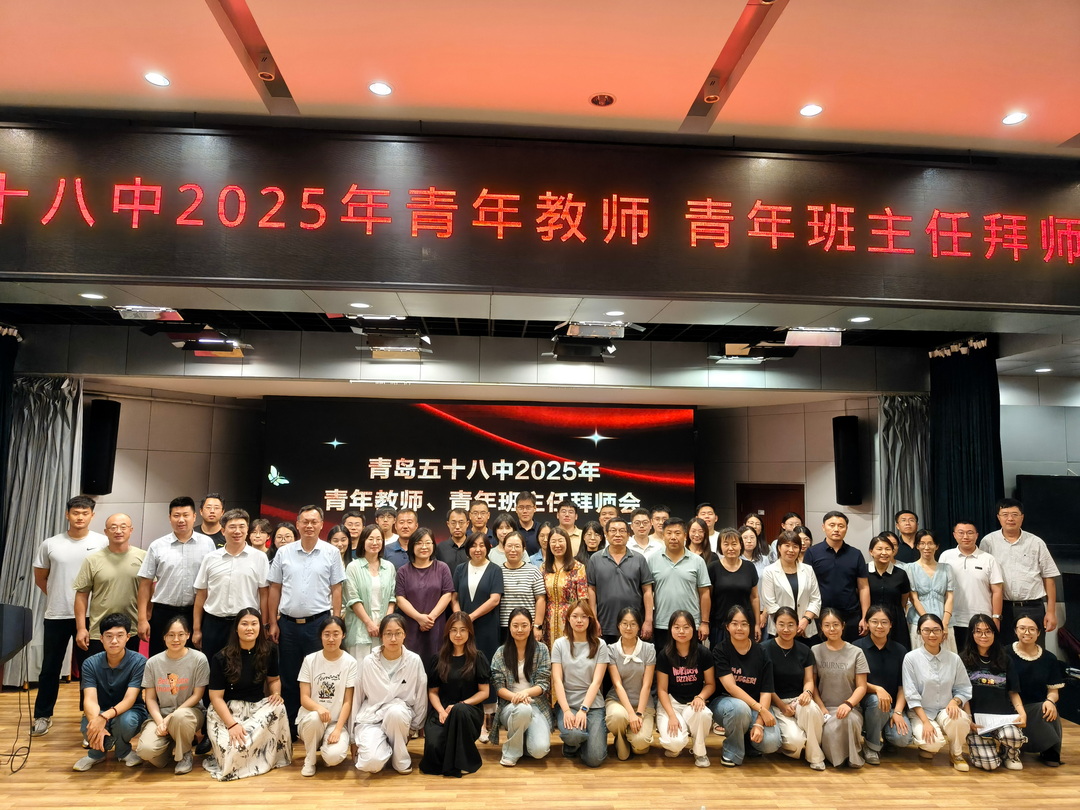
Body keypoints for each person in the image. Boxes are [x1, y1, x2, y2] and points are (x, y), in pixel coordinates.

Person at [267, 504, 346, 738]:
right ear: (298, 524)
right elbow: (274, 588)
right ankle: (291, 729)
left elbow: (337, 589)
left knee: (319, 676)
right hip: (288, 625)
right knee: (289, 677)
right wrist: (273, 622)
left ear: (321, 525)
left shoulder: (331, 552)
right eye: (305, 522)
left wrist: (335, 621)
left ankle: (317, 727)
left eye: (314, 522)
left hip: (318, 624)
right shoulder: (284, 552)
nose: (309, 526)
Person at [31, 494, 107, 737]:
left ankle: (89, 716)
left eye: (85, 513)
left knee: (90, 669)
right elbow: (41, 578)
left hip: (92, 616)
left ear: (92, 515)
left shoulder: (102, 542)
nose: (80, 517)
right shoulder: (50, 544)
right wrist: (61, 596)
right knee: (50, 667)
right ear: (67, 515)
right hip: (57, 614)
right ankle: (43, 715)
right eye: (75, 513)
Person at [204, 607, 291, 781]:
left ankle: (262, 756)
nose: (249, 628)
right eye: (244, 624)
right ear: (236, 628)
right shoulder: (221, 657)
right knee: (233, 752)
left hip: (256, 710)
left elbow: (273, 680)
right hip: (228, 712)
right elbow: (215, 697)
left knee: (278, 707)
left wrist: (276, 693)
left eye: (254, 624)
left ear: (260, 627)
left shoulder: (269, 650)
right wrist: (232, 725)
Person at [137, 496, 216, 657]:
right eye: (176, 515)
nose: (181, 520)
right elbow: (145, 584)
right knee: (160, 658)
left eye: (186, 515)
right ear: (169, 518)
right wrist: (142, 619)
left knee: (193, 659)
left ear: (194, 516)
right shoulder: (157, 545)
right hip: (163, 612)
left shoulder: (207, 544)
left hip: (195, 613)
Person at [192, 509, 270, 665]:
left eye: (242, 526)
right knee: (212, 667)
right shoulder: (210, 558)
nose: (237, 531)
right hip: (214, 624)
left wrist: (264, 625)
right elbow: (201, 595)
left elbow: (264, 594)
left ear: (247, 530)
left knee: (244, 668)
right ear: (223, 531)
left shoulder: (259, 558)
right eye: (232, 527)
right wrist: (196, 629)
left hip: (245, 625)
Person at [352, 614, 428, 774]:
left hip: (399, 718)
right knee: (371, 764)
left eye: (398, 633)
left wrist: (414, 728)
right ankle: (386, 748)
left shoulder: (414, 660)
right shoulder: (368, 662)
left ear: (404, 634)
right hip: (371, 718)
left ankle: (400, 758)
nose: (393, 638)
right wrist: (352, 737)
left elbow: (421, 696)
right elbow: (357, 697)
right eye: (388, 634)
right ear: (381, 636)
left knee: (395, 711)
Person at [72, 613, 149, 771]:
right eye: (109, 636)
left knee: (126, 722)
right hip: (100, 710)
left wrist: (104, 718)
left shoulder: (139, 662)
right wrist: (96, 721)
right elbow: (90, 699)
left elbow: (129, 700)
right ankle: (96, 754)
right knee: (88, 724)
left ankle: (123, 751)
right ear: (101, 638)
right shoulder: (90, 663)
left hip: (130, 710)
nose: (114, 641)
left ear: (128, 637)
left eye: (119, 636)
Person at [135, 615, 209, 774]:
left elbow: (197, 695)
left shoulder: (199, 659)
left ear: (188, 635)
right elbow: (150, 699)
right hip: (161, 715)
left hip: (189, 713)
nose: (176, 639)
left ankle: (185, 754)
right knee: (145, 751)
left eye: (181, 634)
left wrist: (171, 717)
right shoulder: (153, 662)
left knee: (180, 717)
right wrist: (160, 722)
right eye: (171, 635)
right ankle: (172, 746)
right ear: (164, 637)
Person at [420, 612, 491, 777]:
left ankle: (464, 763)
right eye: (454, 630)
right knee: (435, 748)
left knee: (459, 711)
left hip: (468, 711)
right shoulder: (438, 659)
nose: (458, 634)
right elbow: (433, 692)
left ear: (469, 632)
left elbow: (484, 692)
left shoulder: (477, 657)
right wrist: (440, 711)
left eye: (463, 630)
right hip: (443, 710)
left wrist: (461, 704)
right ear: (448, 632)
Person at [710, 605, 782, 767]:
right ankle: (732, 751)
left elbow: (766, 690)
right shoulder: (720, 650)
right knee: (739, 709)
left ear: (750, 626)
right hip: (726, 704)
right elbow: (731, 687)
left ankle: (747, 742)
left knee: (770, 744)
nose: (739, 628)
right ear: (727, 626)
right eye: (735, 624)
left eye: (744, 624)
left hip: (757, 705)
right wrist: (761, 709)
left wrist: (759, 723)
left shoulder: (762, 652)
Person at [981, 498, 1060, 645]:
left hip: (1032, 607)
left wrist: (1051, 612)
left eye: (1015, 514)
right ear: (998, 517)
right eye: (1005, 514)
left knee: (1034, 651)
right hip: (1002, 608)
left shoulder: (1036, 542)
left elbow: (1049, 577)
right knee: (1003, 652)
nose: (1010, 518)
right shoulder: (988, 542)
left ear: (1022, 517)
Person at [902, 612, 974, 771]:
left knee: (960, 719)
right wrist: (926, 723)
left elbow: (964, 688)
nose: (932, 634)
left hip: (946, 709)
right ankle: (928, 746)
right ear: (919, 632)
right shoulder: (911, 658)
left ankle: (956, 753)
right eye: (926, 630)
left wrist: (955, 701)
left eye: (936, 630)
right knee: (932, 743)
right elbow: (911, 695)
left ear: (943, 632)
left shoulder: (954, 659)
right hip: (921, 712)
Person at [451, 532, 503, 742]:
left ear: (488, 548)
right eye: (473, 545)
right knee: (465, 669)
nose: (478, 549)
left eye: (482, 545)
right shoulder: (460, 569)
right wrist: (459, 619)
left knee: (485, 670)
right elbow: (454, 597)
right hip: (462, 630)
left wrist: (469, 617)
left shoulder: (495, 569)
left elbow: (494, 599)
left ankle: (486, 722)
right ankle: (468, 718)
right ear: (468, 548)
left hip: (486, 628)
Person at [72, 513, 146, 657]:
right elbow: (81, 596)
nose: (118, 531)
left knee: (128, 669)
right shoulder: (92, 560)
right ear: (106, 532)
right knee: (97, 669)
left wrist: (145, 619)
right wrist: (81, 628)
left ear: (131, 530)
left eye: (123, 527)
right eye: (113, 527)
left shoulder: (143, 557)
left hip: (131, 630)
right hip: (99, 631)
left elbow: (149, 591)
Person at [960, 614, 1027, 771]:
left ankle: (1008, 754)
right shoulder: (962, 659)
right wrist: (969, 720)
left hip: (1002, 718)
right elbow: (962, 693)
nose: (983, 636)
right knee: (989, 765)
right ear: (971, 634)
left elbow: (1013, 691)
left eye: (988, 631)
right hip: (977, 721)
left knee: (1014, 737)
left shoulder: (1005, 659)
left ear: (994, 634)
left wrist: (1022, 713)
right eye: (978, 631)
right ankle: (984, 749)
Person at [762, 607, 826, 770]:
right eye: (781, 624)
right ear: (774, 625)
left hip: (799, 700)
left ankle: (815, 756)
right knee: (795, 743)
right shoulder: (764, 649)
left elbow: (809, 680)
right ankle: (801, 738)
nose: (786, 629)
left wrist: (807, 692)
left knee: (811, 709)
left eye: (791, 625)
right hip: (776, 703)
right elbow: (765, 685)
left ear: (797, 626)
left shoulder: (805, 650)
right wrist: (782, 706)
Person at [489, 608, 552, 767]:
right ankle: (511, 752)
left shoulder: (542, 649)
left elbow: (543, 684)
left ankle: (521, 739)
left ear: (531, 626)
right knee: (523, 709)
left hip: (536, 704)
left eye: (524, 625)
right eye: (515, 625)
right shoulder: (500, 652)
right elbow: (498, 687)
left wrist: (525, 693)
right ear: (509, 627)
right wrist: (517, 698)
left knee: (539, 751)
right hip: (509, 706)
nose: (519, 629)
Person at [296, 616, 357, 777]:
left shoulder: (350, 662)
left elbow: (348, 702)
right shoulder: (310, 660)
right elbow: (304, 698)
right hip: (311, 719)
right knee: (315, 718)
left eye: (336, 634)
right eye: (327, 634)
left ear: (343, 635)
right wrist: (319, 708)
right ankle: (310, 759)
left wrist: (337, 729)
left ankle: (325, 748)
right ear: (320, 636)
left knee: (333, 758)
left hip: (335, 722)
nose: (331, 639)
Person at [551, 599, 609, 768]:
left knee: (595, 759)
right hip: (568, 704)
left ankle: (587, 742)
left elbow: (596, 682)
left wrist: (584, 709)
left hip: (593, 705)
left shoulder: (600, 645)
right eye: (575, 616)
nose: (579, 620)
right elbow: (557, 680)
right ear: (568, 619)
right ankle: (572, 744)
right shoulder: (559, 644)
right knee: (573, 735)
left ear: (590, 620)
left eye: (584, 616)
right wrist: (566, 710)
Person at [854, 605, 913, 764]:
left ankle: (887, 736)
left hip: (892, 706)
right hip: (866, 703)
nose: (879, 626)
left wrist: (898, 712)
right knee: (876, 700)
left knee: (902, 739)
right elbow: (854, 681)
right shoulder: (857, 647)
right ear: (867, 623)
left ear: (891, 624)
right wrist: (877, 689)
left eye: (884, 622)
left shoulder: (900, 650)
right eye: (874, 622)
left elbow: (903, 686)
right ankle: (871, 746)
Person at [811, 607, 869, 768]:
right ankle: (838, 757)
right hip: (825, 709)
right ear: (821, 627)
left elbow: (862, 686)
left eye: (836, 624)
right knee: (830, 731)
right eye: (827, 625)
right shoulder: (815, 651)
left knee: (848, 720)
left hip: (851, 708)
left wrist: (849, 704)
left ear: (843, 626)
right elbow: (812, 684)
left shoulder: (857, 652)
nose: (832, 629)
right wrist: (822, 708)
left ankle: (853, 757)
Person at [656, 610, 715, 767]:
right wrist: (671, 716)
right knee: (674, 744)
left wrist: (701, 697)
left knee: (704, 714)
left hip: (693, 703)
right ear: (670, 629)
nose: (681, 631)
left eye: (686, 627)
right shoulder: (664, 655)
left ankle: (699, 751)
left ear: (693, 629)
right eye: (677, 627)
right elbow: (662, 690)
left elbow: (710, 684)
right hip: (671, 704)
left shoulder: (703, 653)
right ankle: (677, 743)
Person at [1008, 614, 1065, 767]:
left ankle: (1050, 751)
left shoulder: (1049, 658)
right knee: (1042, 709)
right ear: (1015, 630)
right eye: (1022, 628)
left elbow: (1054, 691)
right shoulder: (1005, 654)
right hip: (1011, 706)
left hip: (1039, 707)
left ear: (1039, 632)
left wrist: (1050, 701)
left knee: (1049, 708)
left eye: (1032, 629)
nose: (1027, 632)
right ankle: (1048, 748)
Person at [803, 511, 869, 641]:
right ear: (823, 527)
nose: (836, 529)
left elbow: (864, 587)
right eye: (832, 525)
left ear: (846, 528)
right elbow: (806, 586)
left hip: (850, 615)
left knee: (850, 650)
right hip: (820, 614)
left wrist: (865, 617)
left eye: (841, 526)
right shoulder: (812, 552)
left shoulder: (855, 554)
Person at [587, 517, 654, 644]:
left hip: (633, 624)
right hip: (604, 623)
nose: (617, 534)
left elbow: (647, 591)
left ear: (628, 535)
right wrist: (593, 619)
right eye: (613, 530)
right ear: (606, 534)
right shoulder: (595, 559)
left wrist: (648, 620)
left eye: (622, 531)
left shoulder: (639, 559)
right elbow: (591, 590)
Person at [940, 520, 1004, 650]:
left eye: (970, 533)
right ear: (954, 535)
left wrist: (996, 618)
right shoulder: (946, 556)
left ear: (976, 535)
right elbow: (941, 587)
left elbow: (997, 591)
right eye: (961, 533)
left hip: (982, 620)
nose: (965, 536)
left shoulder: (988, 559)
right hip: (953, 619)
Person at [649, 517, 710, 653]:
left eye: (677, 533)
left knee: (691, 661)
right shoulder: (652, 560)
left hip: (691, 624)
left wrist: (704, 622)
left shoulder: (697, 561)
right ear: (663, 536)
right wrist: (648, 620)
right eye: (669, 533)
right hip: (662, 623)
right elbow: (647, 593)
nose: (673, 537)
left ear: (685, 535)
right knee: (663, 661)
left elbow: (704, 593)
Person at [395, 527, 454, 663]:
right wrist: (419, 618)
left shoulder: (442, 568)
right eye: (419, 543)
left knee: (436, 662)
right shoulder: (403, 571)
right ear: (412, 546)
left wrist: (430, 618)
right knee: (411, 663)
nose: (424, 547)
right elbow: (400, 598)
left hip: (436, 624)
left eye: (428, 543)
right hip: (411, 625)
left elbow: (447, 594)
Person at [605, 606, 656, 760]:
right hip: (618, 701)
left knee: (641, 745)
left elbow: (647, 685)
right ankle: (621, 739)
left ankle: (632, 736)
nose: (628, 628)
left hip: (643, 705)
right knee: (617, 717)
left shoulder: (649, 649)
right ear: (618, 625)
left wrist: (638, 713)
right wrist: (631, 714)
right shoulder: (611, 650)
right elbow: (617, 684)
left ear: (639, 627)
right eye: (625, 623)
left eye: (633, 624)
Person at [343, 523, 397, 663]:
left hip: (383, 625)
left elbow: (392, 598)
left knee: (383, 669)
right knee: (360, 669)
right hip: (360, 625)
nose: (375, 543)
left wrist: (385, 623)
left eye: (378, 539)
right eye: (371, 539)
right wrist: (369, 623)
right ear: (363, 541)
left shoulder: (389, 567)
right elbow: (353, 599)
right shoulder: (353, 567)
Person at [759, 530, 820, 642]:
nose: (791, 550)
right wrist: (790, 624)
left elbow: (816, 599)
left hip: (805, 628)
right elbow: (770, 603)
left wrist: (805, 620)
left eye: (795, 546)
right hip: (781, 629)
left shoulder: (808, 569)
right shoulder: (769, 571)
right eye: (787, 545)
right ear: (779, 548)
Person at [707, 527, 762, 645]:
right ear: (720, 546)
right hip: (720, 625)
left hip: (745, 624)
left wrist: (757, 624)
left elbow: (754, 598)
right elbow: (708, 597)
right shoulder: (713, 568)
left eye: (734, 544)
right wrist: (705, 622)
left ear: (741, 545)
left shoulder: (749, 567)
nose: (730, 548)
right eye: (726, 544)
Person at [906, 530, 956, 652]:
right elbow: (914, 598)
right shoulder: (910, 568)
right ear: (917, 546)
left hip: (944, 621)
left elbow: (950, 597)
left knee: (946, 657)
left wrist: (944, 624)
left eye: (930, 543)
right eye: (922, 543)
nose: (926, 547)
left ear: (936, 546)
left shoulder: (946, 568)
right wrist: (928, 623)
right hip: (919, 622)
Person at [542, 527, 588, 647]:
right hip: (548, 619)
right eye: (553, 541)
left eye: (560, 541)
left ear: (567, 543)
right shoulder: (543, 568)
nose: (557, 545)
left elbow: (583, 599)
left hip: (570, 618)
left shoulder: (578, 567)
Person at [865, 534, 912, 650]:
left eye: (888, 549)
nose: (884, 553)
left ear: (893, 551)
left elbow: (904, 599)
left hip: (895, 621)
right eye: (879, 549)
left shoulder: (901, 574)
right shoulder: (863, 571)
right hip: (870, 619)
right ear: (871, 551)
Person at [498, 532, 546, 641]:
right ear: (504, 548)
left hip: (527, 626)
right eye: (509, 546)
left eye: (517, 546)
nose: (513, 550)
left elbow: (541, 599)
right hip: (504, 627)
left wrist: (537, 626)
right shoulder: (497, 571)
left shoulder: (533, 571)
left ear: (524, 549)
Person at [435, 507, 471, 572]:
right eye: (453, 523)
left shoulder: (473, 546)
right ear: (448, 524)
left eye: (461, 522)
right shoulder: (440, 548)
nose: (457, 527)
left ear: (467, 524)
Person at [514, 491, 542, 556]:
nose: (525, 511)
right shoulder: (512, 528)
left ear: (535, 508)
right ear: (516, 509)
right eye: (521, 508)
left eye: (528, 508)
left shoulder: (541, 529)